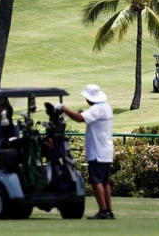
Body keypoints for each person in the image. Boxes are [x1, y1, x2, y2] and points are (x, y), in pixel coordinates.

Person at [57, 84, 114, 220]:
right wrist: (81, 113)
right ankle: (108, 211)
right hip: (106, 150)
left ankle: (103, 210)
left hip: (97, 151)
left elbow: (79, 118)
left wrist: (63, 108)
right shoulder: (106, 107)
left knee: (96, 181)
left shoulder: (97, 109)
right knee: (105, 182)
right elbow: (83, 116)